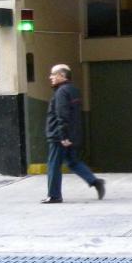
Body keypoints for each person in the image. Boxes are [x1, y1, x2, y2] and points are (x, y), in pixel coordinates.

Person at [42, 64, 105, 204]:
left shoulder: (61, 92)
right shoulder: (74, 90)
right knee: (73, 162)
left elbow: (62, 115)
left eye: (53, 74)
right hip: (73, 134)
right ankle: (95, 181)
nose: (50, 77)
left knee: (53, 165)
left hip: (59, 136)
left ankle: (54, 195)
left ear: (62, 76)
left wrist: (63, 136)